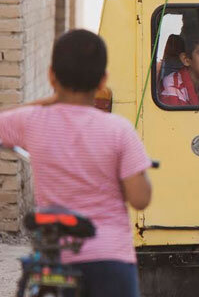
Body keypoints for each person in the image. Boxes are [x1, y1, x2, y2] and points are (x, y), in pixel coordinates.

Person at [0, 29, 152, 297]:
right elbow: (140, 199)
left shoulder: (33, 121)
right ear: (103, 80)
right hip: (110, 259)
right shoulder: (118, 130)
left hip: (57, 263)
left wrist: (49, 100)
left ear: (51, 76)